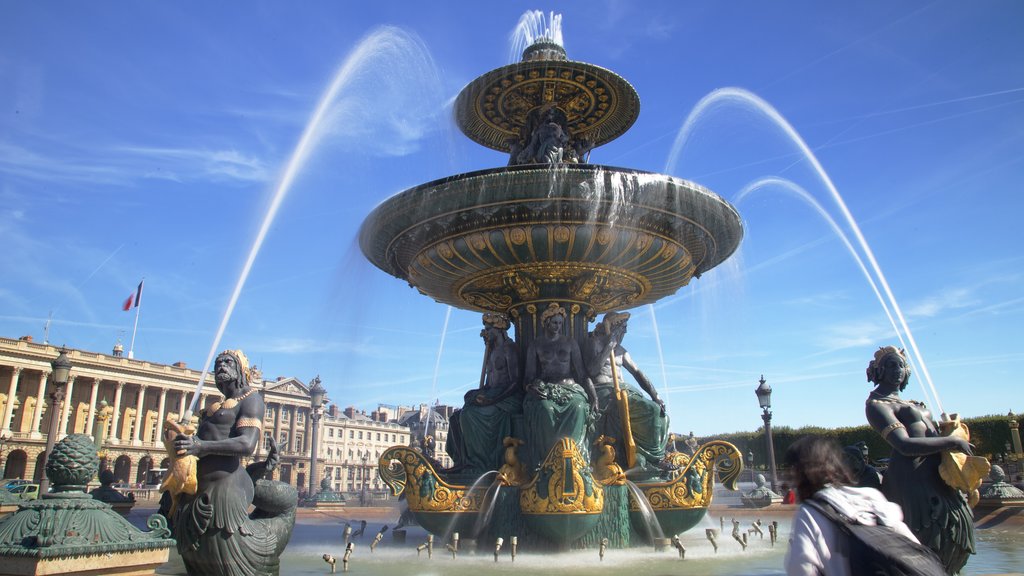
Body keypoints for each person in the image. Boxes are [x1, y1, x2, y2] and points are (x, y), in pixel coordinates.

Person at [171, 349, 296, 576]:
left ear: (241, 370)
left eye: (228, 362)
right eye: (218, 362)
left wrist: (200, 446)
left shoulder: (251, 399)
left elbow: (247, 444)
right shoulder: (215, 406)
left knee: (289, 498)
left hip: (223, 490)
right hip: (197, 492)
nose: (221, 366)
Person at [865, 346, 974, 575]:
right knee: (926, 541)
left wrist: (950, 432)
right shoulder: (877, 405)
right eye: (892, 365)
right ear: (880, 370)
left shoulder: (909, 402)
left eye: (902, 366)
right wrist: (951, 443)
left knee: (956, 535)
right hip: (912, 483)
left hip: (937, 477)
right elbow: (903, 445)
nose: (898, 370)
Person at [784, 435, 919, 576]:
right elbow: (913, 547)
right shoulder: (872, 496)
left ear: (801, 473)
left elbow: (802, 569)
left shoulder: (810, 512)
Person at [584, 311, 669, 472]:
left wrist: (655, 395)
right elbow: (592, 370)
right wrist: (609, 346)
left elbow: (637, 373)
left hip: (623, 390)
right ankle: (655, 459)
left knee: (658, 410)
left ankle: (645, 455)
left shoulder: (622, 351)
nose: (625, 332)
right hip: (603, 391)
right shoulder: (594, 343)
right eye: (622, 329)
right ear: (613, 328)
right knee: (650, 410)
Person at [522, 303, 598, 469]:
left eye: (560, 323)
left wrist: (594, 396)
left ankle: (575, 460)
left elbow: (582, 374)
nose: (558, 326)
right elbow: (528, 376)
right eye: (555, 323)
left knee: (578, 407)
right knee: (544, 409)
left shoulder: (570, 343)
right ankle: (548, 461)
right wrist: (529, 387)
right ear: (546, 322)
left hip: (570, 387)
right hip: (546, 388)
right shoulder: (536, 345)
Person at [447, 313, 523, 473]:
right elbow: (489, 383)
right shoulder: (491, 352)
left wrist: (492, 400)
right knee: (455, 417)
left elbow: (516, 381)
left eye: (489, 329)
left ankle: (479, 463)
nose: (486, 332)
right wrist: (479, 393)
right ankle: (463, 461)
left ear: (500, 330)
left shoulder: (509, 349)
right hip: (494, 394)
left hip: (508, 397)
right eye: (485, 329)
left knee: (469, 415)